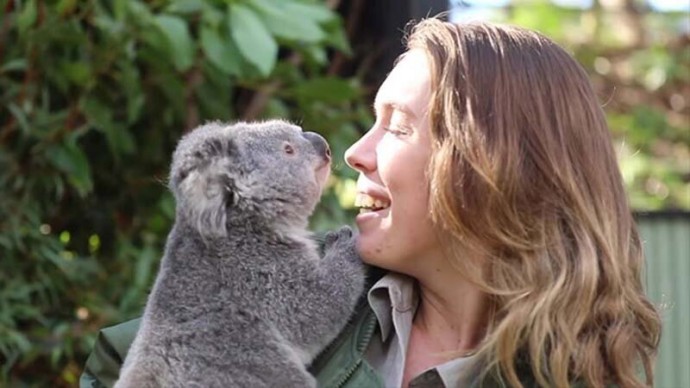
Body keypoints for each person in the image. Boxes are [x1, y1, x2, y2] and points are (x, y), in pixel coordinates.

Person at [80, 18, 661, 388]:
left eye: (399, 127)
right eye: (371, 122)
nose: (355, 152)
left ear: (494, 162)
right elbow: (124, 363)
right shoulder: (286, 285)